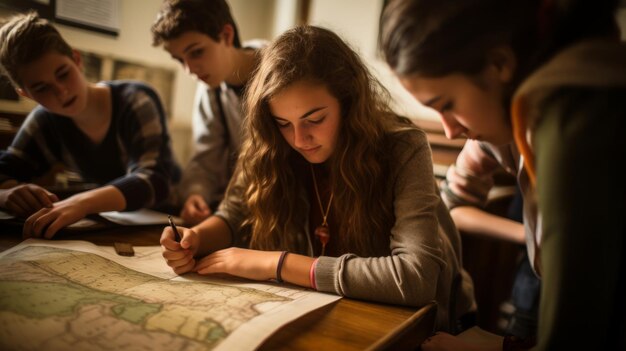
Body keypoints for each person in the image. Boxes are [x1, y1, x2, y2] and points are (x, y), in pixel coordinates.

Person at [160, 25, 476, 332]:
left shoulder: (403, 148)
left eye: (315, 119)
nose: (299, 139)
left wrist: (277, 264)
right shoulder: (270, 144)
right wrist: (196, 239)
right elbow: (234, 214)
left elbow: (415, 279)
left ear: (349, 102)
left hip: (423, 328)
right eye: (284, 122)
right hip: (330, 311)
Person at [380, 0, 625, 350]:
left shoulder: (571, 120)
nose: (448, 132)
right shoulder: (535, 116)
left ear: (500, 64)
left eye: (446, 105)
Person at [0, 12, 181, 238]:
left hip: (165, 223)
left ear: (77, 59)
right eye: (41, 88)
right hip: (108, 226)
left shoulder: (136, 99)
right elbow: (5, 166)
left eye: (63, 74)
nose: (61, 92)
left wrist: (82, 203)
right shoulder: (44, 120)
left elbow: (154, 179)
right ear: (25, 94)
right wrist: (5, 193)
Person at [151, 0, 265, 226]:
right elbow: (206, 157)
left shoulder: (279, 70)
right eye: (179, 59)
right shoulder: (210, 90)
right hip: (244, 211)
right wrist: (196, 194)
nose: (189, 69)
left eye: (196, 52)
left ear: (226, 35)